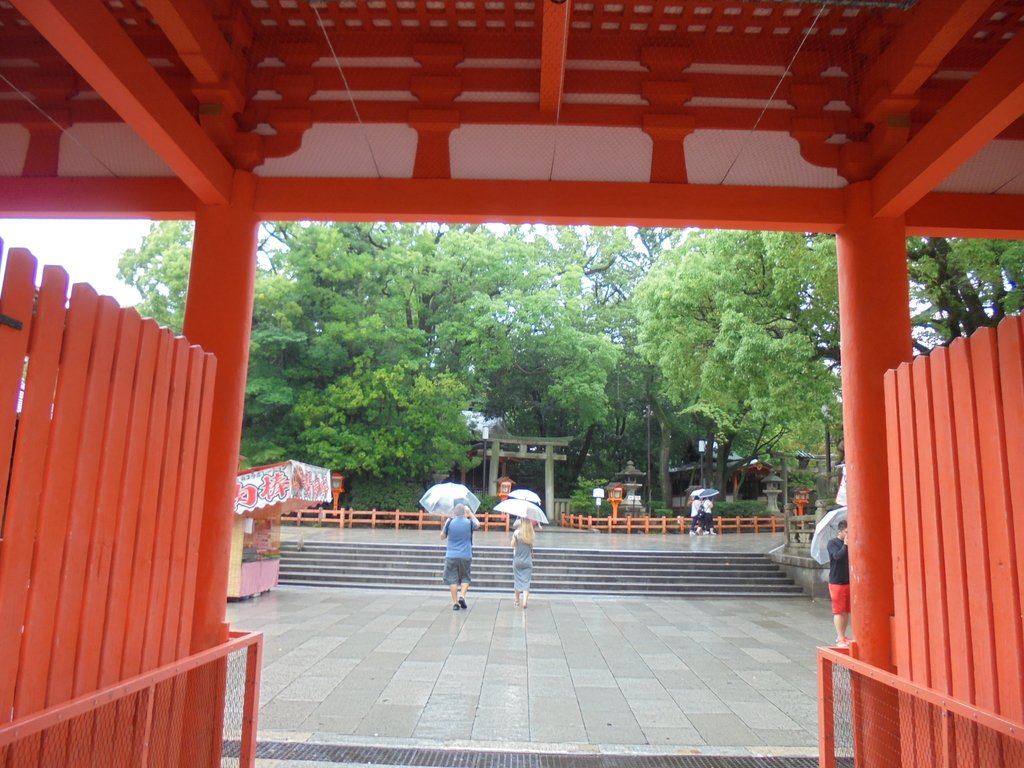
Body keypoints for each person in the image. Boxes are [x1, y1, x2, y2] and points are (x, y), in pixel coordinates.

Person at [441, 504, 480, 611]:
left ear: (455, 512)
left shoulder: (449, 522)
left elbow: (442, 537)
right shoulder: (468, 523)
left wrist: (447, 524)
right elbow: (478, 524)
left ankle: (455, 603)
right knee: (465, 577)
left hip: (451, 555)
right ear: (464, 512)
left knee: (452, 579)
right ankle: (462, 596)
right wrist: (470, 513)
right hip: (466, 554)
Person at [827, 519, 851, 646]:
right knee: (838, 610)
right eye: (846, 532)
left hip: (848, 580)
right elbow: (837, 556)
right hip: (837, 581)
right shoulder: (833, 543)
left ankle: (843, 635)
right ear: (840, 531)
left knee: (846, 610)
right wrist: (846, 545)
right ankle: (840, 637)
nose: (848, 534)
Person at [511, 518, 536, 608]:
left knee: (517, 580)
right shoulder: (531, 534)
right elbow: (532, 546)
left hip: (517, 560)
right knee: (526, 581)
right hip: (528, 561)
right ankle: (525, 601)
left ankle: (517, 601)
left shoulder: (517, 533)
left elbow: (512, 544)